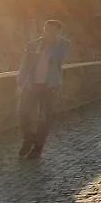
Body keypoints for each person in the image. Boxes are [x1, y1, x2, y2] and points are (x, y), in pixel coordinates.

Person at [16, 19, 70, 159]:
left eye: (52, 31)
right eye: (46, 30)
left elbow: (59, 58)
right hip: (31, 85)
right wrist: (20, 82)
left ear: (58, 32)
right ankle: (29, 138)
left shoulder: (62, 45)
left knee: (45, 118)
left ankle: (38, 148)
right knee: (23, 113)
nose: (48, 33)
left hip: (50, 86)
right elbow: (25, 64)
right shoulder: (33, 44)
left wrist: (50, 46)